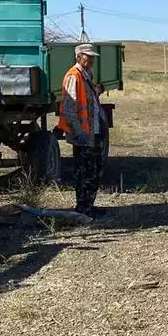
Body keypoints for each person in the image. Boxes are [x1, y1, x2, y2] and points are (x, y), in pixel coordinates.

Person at [58, 43, 106, 217]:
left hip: (94, 131)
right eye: (88, 56)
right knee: (84, 172)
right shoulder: (74, 76)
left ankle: (89, 206)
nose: (91, 59)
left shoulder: (86, 75)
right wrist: (79, 132)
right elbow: (69, 108)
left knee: (94, 171)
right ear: (78, 57)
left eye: (92, 56)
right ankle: (82, 209)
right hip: (83, 134)